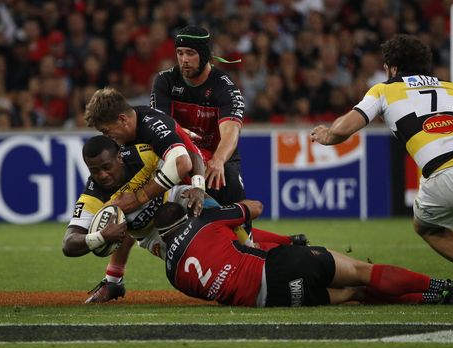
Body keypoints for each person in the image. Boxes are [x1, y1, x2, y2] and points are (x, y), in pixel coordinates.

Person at [310, 34, 453, 307]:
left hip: (445, 172)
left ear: (392, 67)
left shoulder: (384, 90)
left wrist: (326, 135)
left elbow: (344, 129)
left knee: (427, 228)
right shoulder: (451, 88)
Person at [151, 25, 307, 247]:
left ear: (204, 55)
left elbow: (231, 132)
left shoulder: (225, 87)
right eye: (180, 53)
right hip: (181, 154)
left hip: (218, 155)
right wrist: (183, 137)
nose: (184, 59)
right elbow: (161, 127)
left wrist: (219, 159)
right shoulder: (165, 81)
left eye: (191, 53)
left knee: (233, 207)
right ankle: (286, 242)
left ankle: (257, 249)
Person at [154, 201, 453, 307]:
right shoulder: (205, 221)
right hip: (278, 267)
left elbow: (223, 271)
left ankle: (431, 299)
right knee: (363, 271)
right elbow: (255, 209)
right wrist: (214, 208)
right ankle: (442, 286)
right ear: (187, 215)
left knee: (357, 293)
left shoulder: (172, 274)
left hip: (273, 301)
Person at [62, 135, 205, 303]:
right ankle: (113, 283)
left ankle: (244, 247)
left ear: (120, 157)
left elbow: (192, 156)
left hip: (176, 197)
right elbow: (68, 244)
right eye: (94, 171)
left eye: (107, 167)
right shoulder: (94, 197)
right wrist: (102, 236)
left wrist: (198, 187)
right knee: (201, 269)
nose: (102, 175)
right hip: (154, 235)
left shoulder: (142, 154)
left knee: (215, 209)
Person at [84, 86, 206, 216]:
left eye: (106, 131)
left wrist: (138, 198)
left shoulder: (151, 126)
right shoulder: (131, 130)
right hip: (176, 200)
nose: (106, 137)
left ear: (123, 119)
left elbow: (183, 162)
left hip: (198, 193)